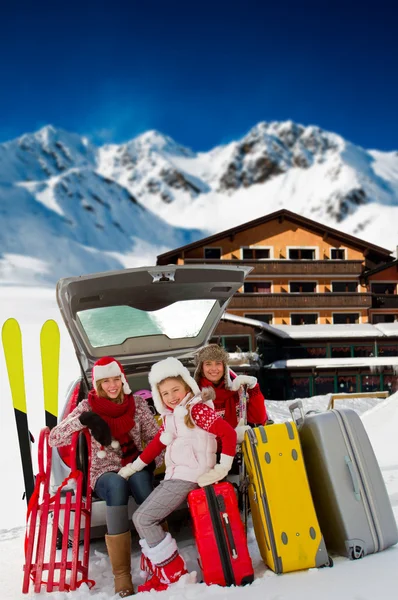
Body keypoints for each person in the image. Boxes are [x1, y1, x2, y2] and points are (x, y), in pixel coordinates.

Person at [118, 356, 237, 592]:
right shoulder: (172, 416)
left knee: (143, 518)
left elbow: (229, 434)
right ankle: (166, 572)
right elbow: (155, 446)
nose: (172, 397)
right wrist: (134, 467)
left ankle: (174, 575)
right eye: (165, 393)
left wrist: (221, 468)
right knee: (145, 517)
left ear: (187, 387)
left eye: (176, 390)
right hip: (178, 475)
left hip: (191, 475)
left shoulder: (196, 410)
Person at [49, 356, 163, 598]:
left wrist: (153, 463)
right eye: (105, 382)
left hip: (134, 464)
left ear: (122, 380)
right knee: (116, 484)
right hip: (104, 471)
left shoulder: (137, 405)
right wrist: (82, 420)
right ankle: (121, 575)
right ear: (98, 385)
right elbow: (54, 438)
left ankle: (161, 559)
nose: (112, 386)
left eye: (116, 380)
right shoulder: (87, 407)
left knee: (142, 481)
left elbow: (157, 439)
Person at [194, 344, 268, 443]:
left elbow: (258, 419)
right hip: (211, 455)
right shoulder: (196, 397)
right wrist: (233, 436)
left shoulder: (238, 390)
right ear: (201, 369)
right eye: (208, 364)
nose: (214, 368)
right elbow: (197, 435)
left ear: (224, 366)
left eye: (218, 363)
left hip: (243, 452)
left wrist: (253, 387)